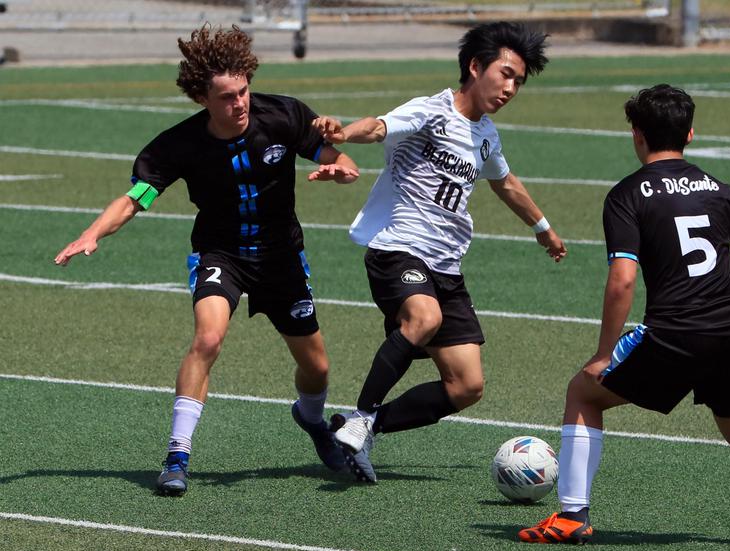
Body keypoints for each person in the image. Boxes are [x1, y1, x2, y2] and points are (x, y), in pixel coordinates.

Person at [518, 84, 730, 550]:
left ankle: (570, 517)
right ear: (690, 133)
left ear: (636, 135)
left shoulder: (628, 194)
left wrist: (604, 353)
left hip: (676, 332)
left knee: (584, 391)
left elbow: (623, 280)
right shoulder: (718, 190)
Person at [54, 24, 360, 496]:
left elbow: (339, 159)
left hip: (282, 257)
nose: (239, 104)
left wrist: (340, 170)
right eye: (226, 97)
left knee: (317, 369)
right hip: (222, 253)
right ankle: (177, 456)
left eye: (243, 91)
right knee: (208, 338)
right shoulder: (179, 144)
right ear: (202, 98)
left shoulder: (282, 114)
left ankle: (313, 420)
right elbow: (135, 198)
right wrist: (92, 233)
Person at [311, 21, 567, 483]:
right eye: (505, 74)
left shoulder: (485, 134)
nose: (510, 87)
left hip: (446, 265)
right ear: (475, 66)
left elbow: (505, 182)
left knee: (467, 386)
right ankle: (362, 414)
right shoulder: (430, 111)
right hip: (398, 248)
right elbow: (379, 127)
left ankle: (365, 429)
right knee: (423, 320)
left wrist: (543, 228)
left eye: (519, 81)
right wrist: (344, 134)